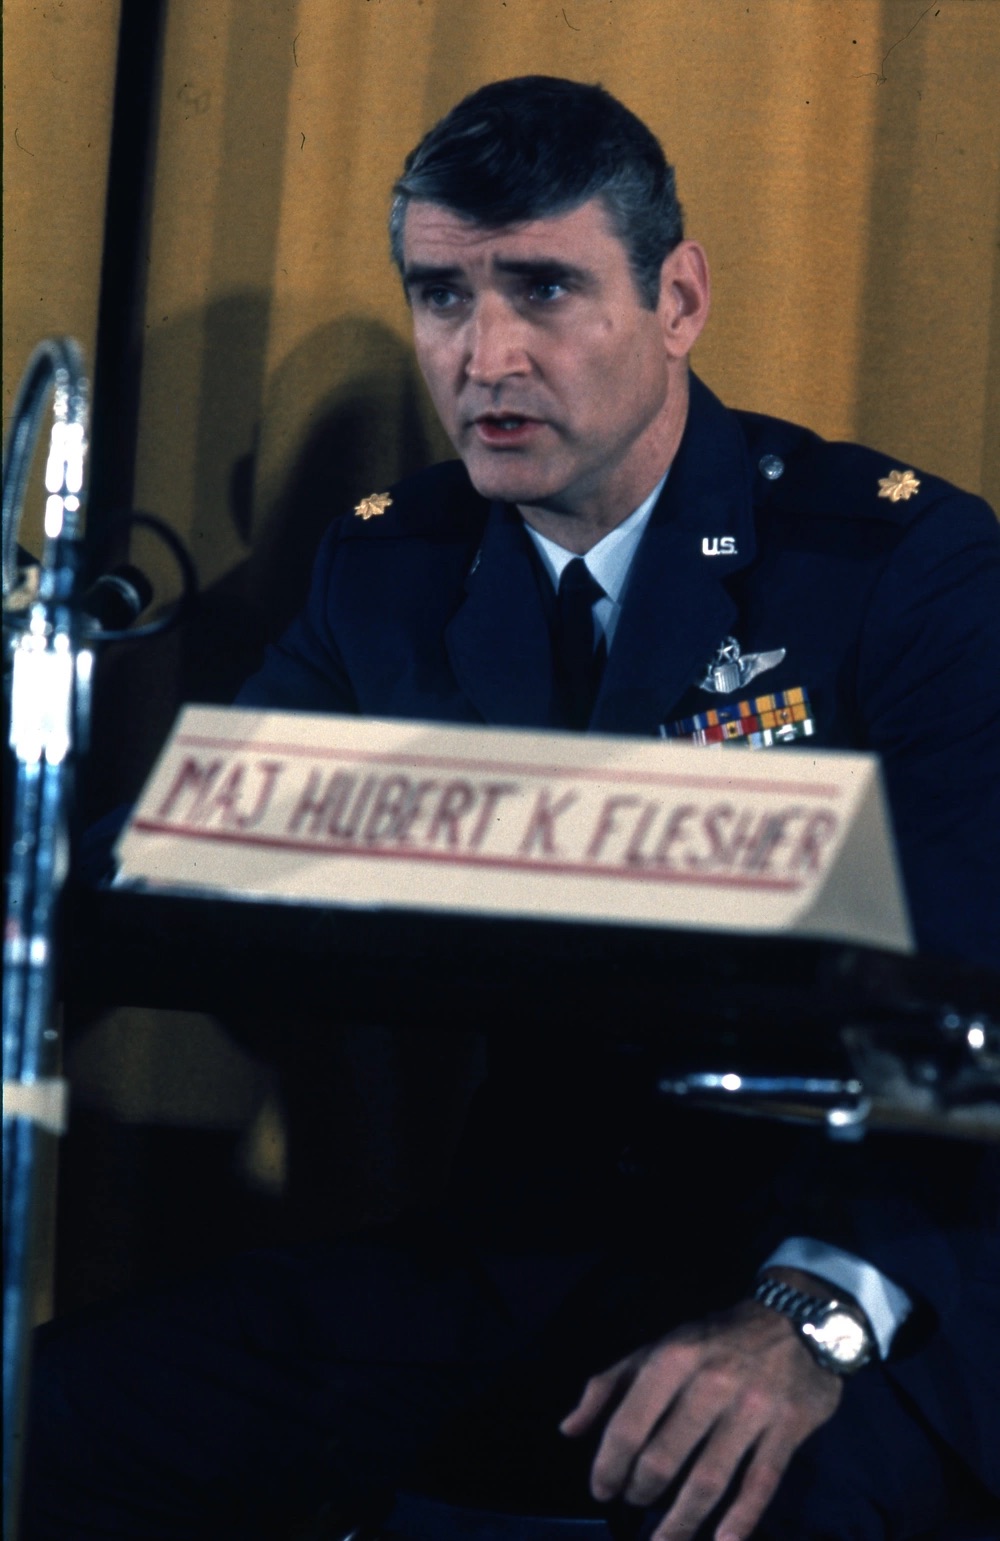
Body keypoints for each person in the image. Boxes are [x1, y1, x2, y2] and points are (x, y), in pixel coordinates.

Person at [24, 76, 1000, 1541]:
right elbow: (177, 866)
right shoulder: (392, 573)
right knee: (58, 1424)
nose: (486, 356)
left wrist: (814, 1314)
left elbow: (979, 1015)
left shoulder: (890, 567)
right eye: (441, 296)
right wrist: (40, 934)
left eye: (544, 289)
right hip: (525, 1254)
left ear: (678, 298)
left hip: (852, 1264)